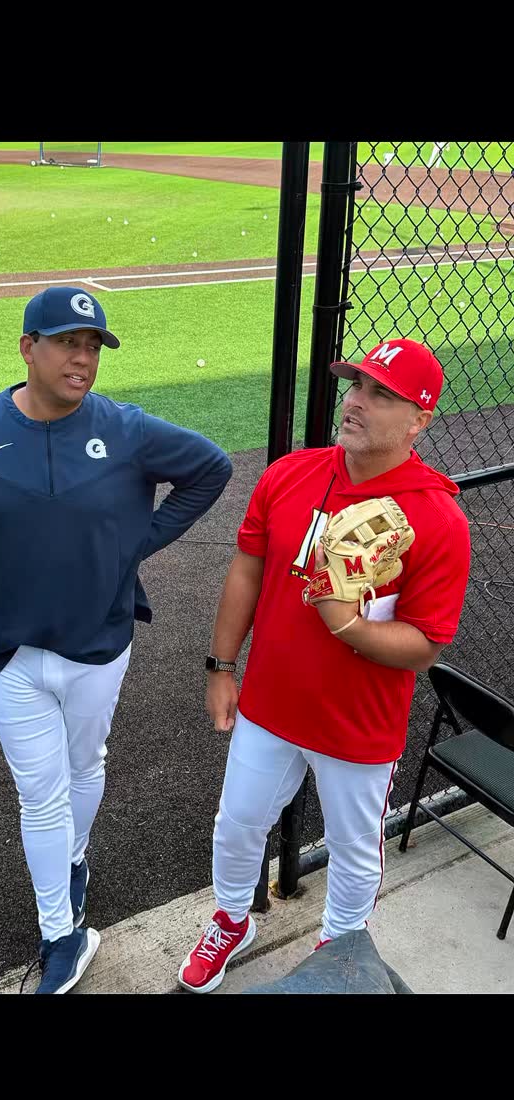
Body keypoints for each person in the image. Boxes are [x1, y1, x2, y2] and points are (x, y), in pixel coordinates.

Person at [0, 286, 232, 995]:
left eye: (94, 345)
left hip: (101, 645)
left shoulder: (125, 430)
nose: (83, 357)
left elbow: (210, 468)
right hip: (11, 654)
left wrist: (136, 544)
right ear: (27, 347)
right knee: (39, 796)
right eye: (68, 341)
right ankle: (62, 933)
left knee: (86, 763)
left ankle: (74, 859)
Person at [178, 337, 471, 994]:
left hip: (358, 726)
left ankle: (341, 946)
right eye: (355, 385)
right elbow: (248, 567)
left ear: (419, 420)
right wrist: (221, 665)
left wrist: (346, 623)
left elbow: (426, 642)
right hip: (270, 704)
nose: (356, 402)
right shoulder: (291, 473)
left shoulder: (437, 517)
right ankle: (231, 919)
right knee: (238, 821)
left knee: (352, 847)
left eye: (380, 394)